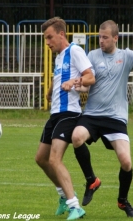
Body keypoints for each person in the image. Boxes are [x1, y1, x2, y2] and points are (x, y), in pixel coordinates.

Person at [72, 20, 133, 217]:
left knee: (126, 162)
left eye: (105, 37)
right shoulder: (92, 56)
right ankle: (91, 181)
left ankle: (122, 201)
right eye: (99, 37)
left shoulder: (126, 56)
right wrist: (80, 87)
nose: (101, 41)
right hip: (93, 115)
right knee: (76, 137)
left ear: (115, 38)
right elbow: (87, 84)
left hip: (115, 118)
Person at [35, 17, 95, 220]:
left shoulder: (75, 51)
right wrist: (51, 90)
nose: (47, 42)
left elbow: (90, 77)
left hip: (69, 113)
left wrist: (73, 81)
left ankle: (75, 206)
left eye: (50, 37)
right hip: (55, 114)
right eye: (45, 38)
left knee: (54, 159)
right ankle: (63, 195)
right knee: (41, 159)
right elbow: (58, 77)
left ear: (62, 34)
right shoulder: (59, 56)